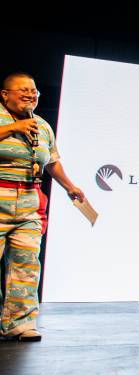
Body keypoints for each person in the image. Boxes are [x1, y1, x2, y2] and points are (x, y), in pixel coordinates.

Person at [0, 72, 84, 341]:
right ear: (5, 94)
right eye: (23, 90)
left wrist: (70, 186)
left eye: (34, 90)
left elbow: (51, 161)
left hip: (28, 202)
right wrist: (13, 128)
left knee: (26, 263)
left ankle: (20, 323)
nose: (30, 94)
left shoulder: (42, 126)